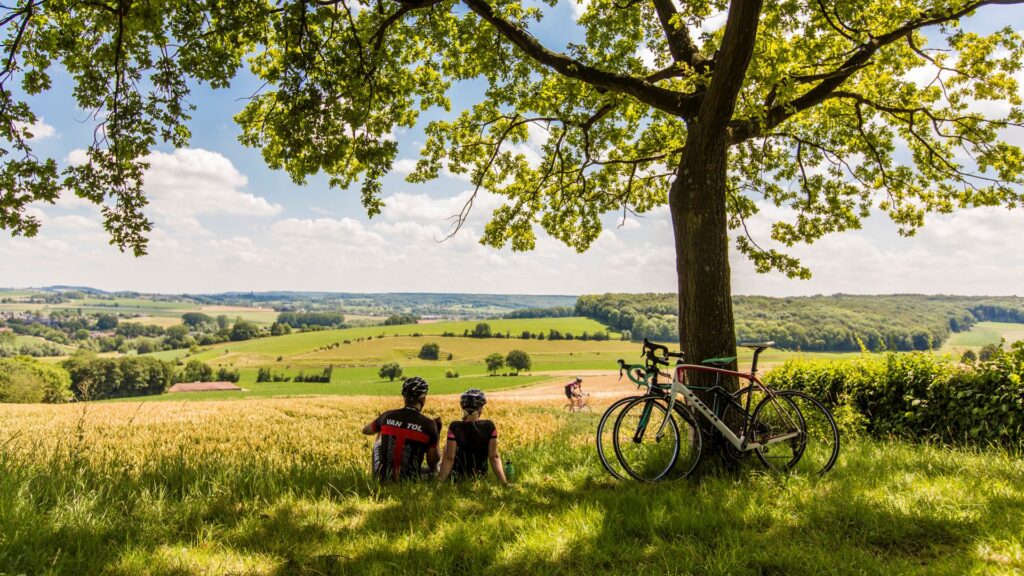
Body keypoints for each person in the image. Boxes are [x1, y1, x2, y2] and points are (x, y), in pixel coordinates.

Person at [361, 376, 442, 482]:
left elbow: (365, 430)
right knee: (435, 471)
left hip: (383, 477)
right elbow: (432, 463)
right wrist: (437, 435)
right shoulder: (429, 424)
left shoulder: (387, 415)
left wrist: (387, 426)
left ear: (404, 397)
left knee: (380, 434)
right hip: (410, 479)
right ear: (423, 398)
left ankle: (378, 475)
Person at [437, 388, 507, 484]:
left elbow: (449, 457)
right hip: (479, 477)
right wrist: (504, 483)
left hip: (457, 478)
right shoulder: (489, 426)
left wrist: (439, 483)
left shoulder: (455, 426)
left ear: (463, 407)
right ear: (480, 408)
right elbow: (494, 456)